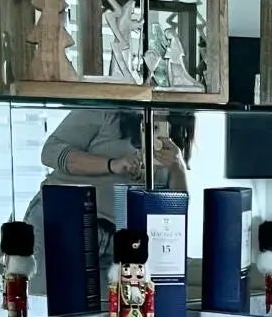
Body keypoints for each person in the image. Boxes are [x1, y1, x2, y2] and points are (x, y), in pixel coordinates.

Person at [22, 107, 194, 295]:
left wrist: (178, 167)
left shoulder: (177, 126)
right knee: (48, 304)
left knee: (108, 312)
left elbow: (175, 212)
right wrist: (112, 164)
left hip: (119, 239)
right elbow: (50, 152)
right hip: (65, 219)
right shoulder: (106, 109)